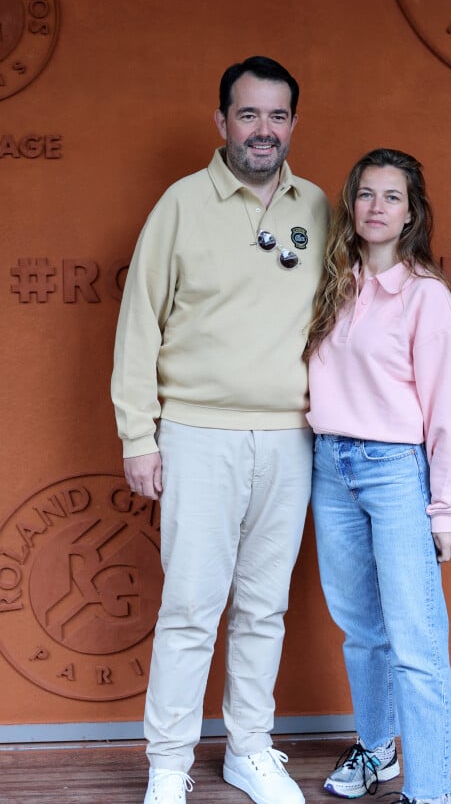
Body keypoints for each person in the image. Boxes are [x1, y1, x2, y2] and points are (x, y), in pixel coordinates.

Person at [111, 56, 329, 804]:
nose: (262, 130)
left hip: (290, 438)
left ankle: (249, 748)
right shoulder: (180, 204)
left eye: (276, 116)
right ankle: (168, 763)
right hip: (196, 432)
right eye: (247, 114)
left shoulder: (321, 208)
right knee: (191, 607)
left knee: (263, 606)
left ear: (293, 125)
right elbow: (139, 322)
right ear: (222, 122)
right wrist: (139, 435)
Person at [304, 148, 451, 804]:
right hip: (329, 466)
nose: (376, 207)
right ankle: (377, 750)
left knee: (415, 639)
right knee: (362, 630)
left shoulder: (424, 296)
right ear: (352, 204)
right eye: (366, 194)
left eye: (391, 196)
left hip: (396, 471)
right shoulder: (331, 283)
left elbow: (448, 409)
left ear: (411, 213)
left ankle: (430, 791)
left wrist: (446, 509)